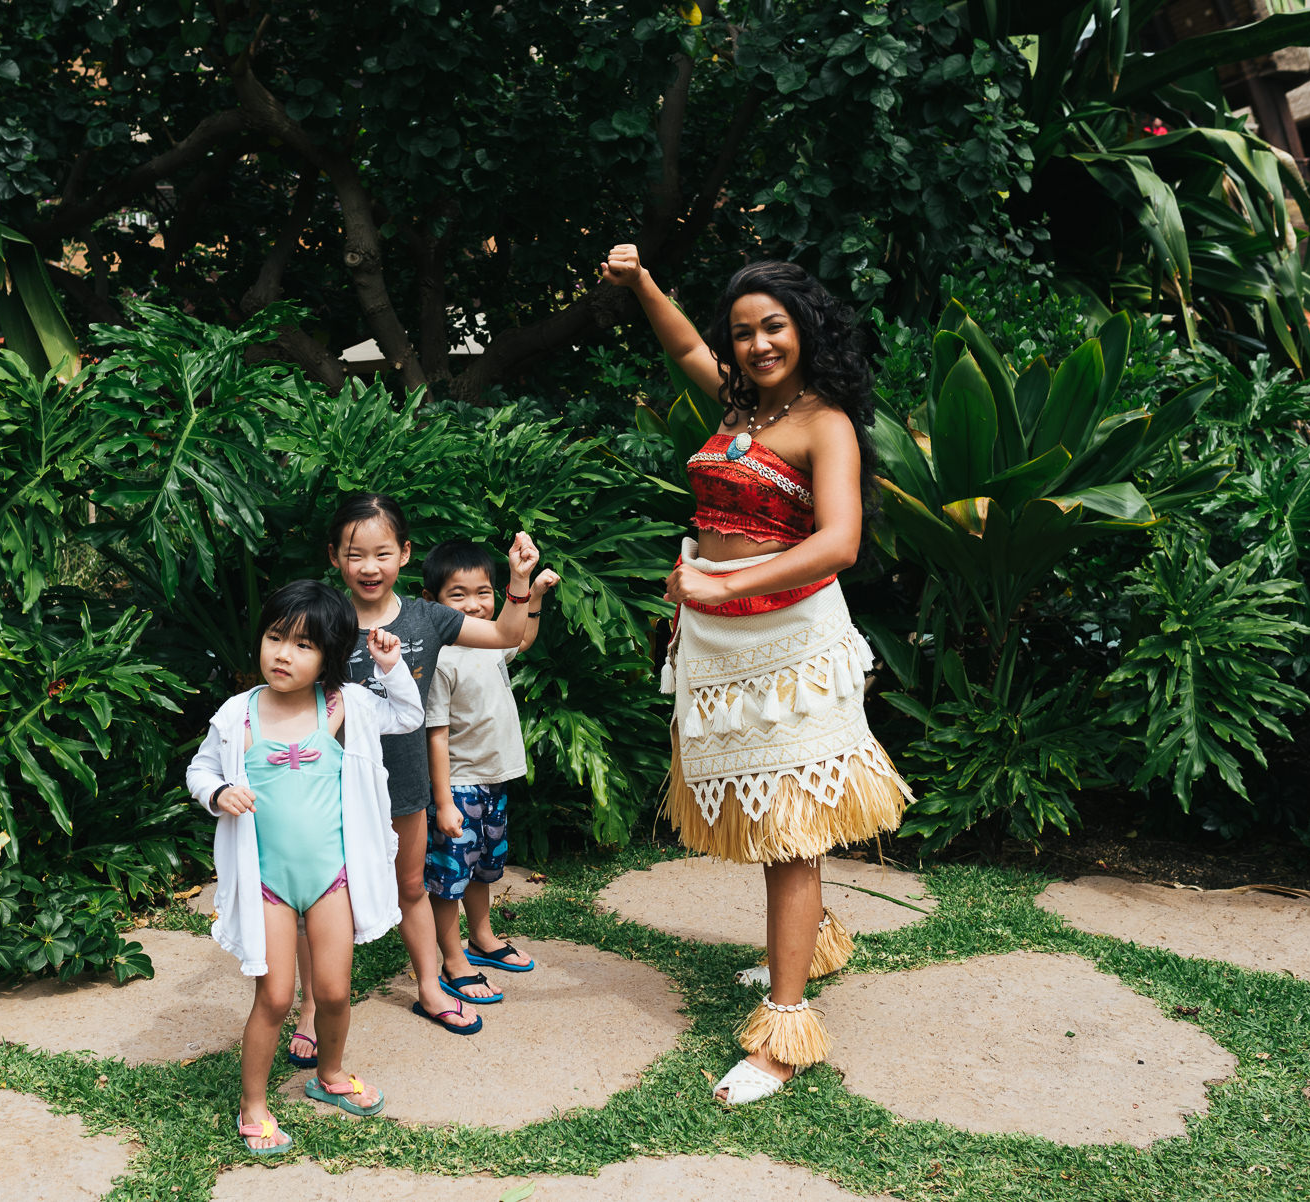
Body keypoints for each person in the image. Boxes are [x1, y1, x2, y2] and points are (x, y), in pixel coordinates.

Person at [599, 243, 914, 1106]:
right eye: (742, 333)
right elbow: (681, 349)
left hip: (790, 647)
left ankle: (784, 1029)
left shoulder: (825, 423)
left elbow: (839, 542)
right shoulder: (739, 408)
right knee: (773, 825)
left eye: (772, 326)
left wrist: (722, 578)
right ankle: (806, 943)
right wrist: (643, 282)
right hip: (720, 642)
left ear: (803, 330)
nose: (755, 345)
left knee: (790, 834)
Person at [284, 494, 542, 1056]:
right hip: (331, 789)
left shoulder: (428, 618)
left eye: (382, 553)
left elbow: (503, 636)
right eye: (355, 555)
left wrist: (520, 582)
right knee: (319, 901)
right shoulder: (324, 621)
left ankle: (429, 986)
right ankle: (309, 1010)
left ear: (404, 553)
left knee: (411, 889)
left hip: (405, 787)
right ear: (335, 558)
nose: (369, 567)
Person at [185, 580, 421, 1153]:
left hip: (330, 879)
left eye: (303, 646)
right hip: (266, 881)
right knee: (274, 997)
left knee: (335, 992)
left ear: (330, 658)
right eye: (274, 638)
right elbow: (199, 769)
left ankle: (331, 1075)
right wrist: (218, 793)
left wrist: (391, 668)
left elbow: (408, 716)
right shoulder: (238, 714)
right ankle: (254, 1105)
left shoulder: (345, 706)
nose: (283, 654)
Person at [420, 541, 561, 1002]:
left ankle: (481, 937)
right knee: (449, 876)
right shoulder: (441, 660)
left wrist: (532, 597)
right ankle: (452, 957)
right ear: (431, 603)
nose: (474, 604)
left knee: (482, 868)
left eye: (482, 592)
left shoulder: (488, 643)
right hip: (458, 788)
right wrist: (442, 804)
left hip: (492, 780)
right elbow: (434, 736)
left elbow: (520, 638)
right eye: (457, 595)